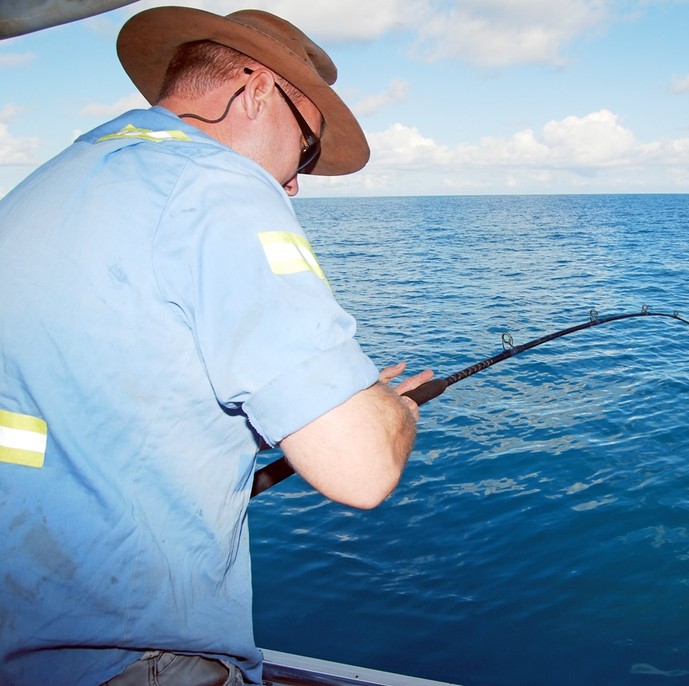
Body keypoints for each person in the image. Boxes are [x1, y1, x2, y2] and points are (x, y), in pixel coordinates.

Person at [0, 7, 431, 685]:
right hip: (126, 658)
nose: (293, 183)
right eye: (306, 150)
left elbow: (89, 407)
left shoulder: (56, 183)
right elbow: (363, 470)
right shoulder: (216, 187)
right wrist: (389, 413)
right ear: (256, 87)